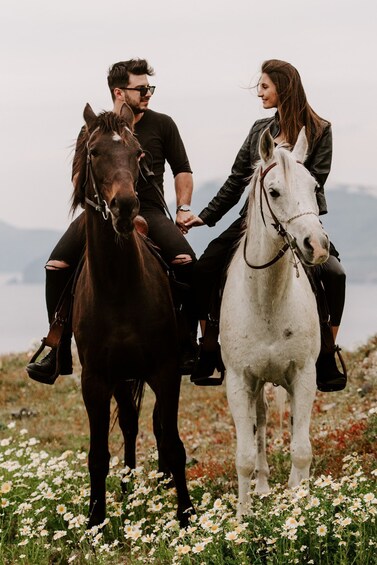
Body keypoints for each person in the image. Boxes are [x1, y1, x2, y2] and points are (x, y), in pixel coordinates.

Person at [26, 58, 198, 384]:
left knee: (187, 260)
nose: (148, 93)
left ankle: (191, 343)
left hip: (147, 210)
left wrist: (183, 207)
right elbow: (79, 177)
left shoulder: (163, 125)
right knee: (56, 266)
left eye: (150, 88)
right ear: (120, 91)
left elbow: (183, 171)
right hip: (99, 213)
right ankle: (58, 347)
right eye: (142, 88)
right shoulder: (90, 131)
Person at [185, 59, 347, 392]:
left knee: (334, 274)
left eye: (264, 86)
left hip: (299, 221)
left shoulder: (320, 130)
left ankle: (328, 352)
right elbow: (236, 179)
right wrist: (205, 215)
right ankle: (208, 345)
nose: (259, 93)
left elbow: (312, 181)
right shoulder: (260, 129)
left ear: (282, 88)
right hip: (254, 221)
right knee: (204, 269)